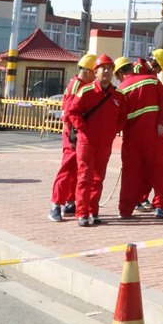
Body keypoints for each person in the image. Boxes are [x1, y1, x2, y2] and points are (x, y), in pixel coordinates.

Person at [66, 55, 125, 227]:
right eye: (103, 68)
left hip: (105, 143)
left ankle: (93, 211)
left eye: (109, 68)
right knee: (85, 177)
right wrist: (83, 127)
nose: (106, 71)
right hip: (87, 142)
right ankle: (82, 213)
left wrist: (114, 130)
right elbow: (73, 112)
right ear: (96, 72)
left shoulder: (118, 95)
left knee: (98, 179)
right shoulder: (86, 91)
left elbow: (123, 116)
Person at [117, 57, 163, 220]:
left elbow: (119, 117)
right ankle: (161, 207)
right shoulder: (152, 81)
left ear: (120, 73)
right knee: (160, 171)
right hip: (154, 135)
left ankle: (125, 210)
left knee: (130, 174)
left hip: (131, 138)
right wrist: (162, 123)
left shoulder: (120, 89)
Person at [48, 52, 96, 221]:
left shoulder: (80, 84)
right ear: (90, 71)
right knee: (67, 169)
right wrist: (73, 136)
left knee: (76, 170)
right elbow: (69, 114)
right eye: (95, 72)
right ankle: (56, 204)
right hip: (73, 135)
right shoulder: (78, 86)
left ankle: (69, 201)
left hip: (76, 134)